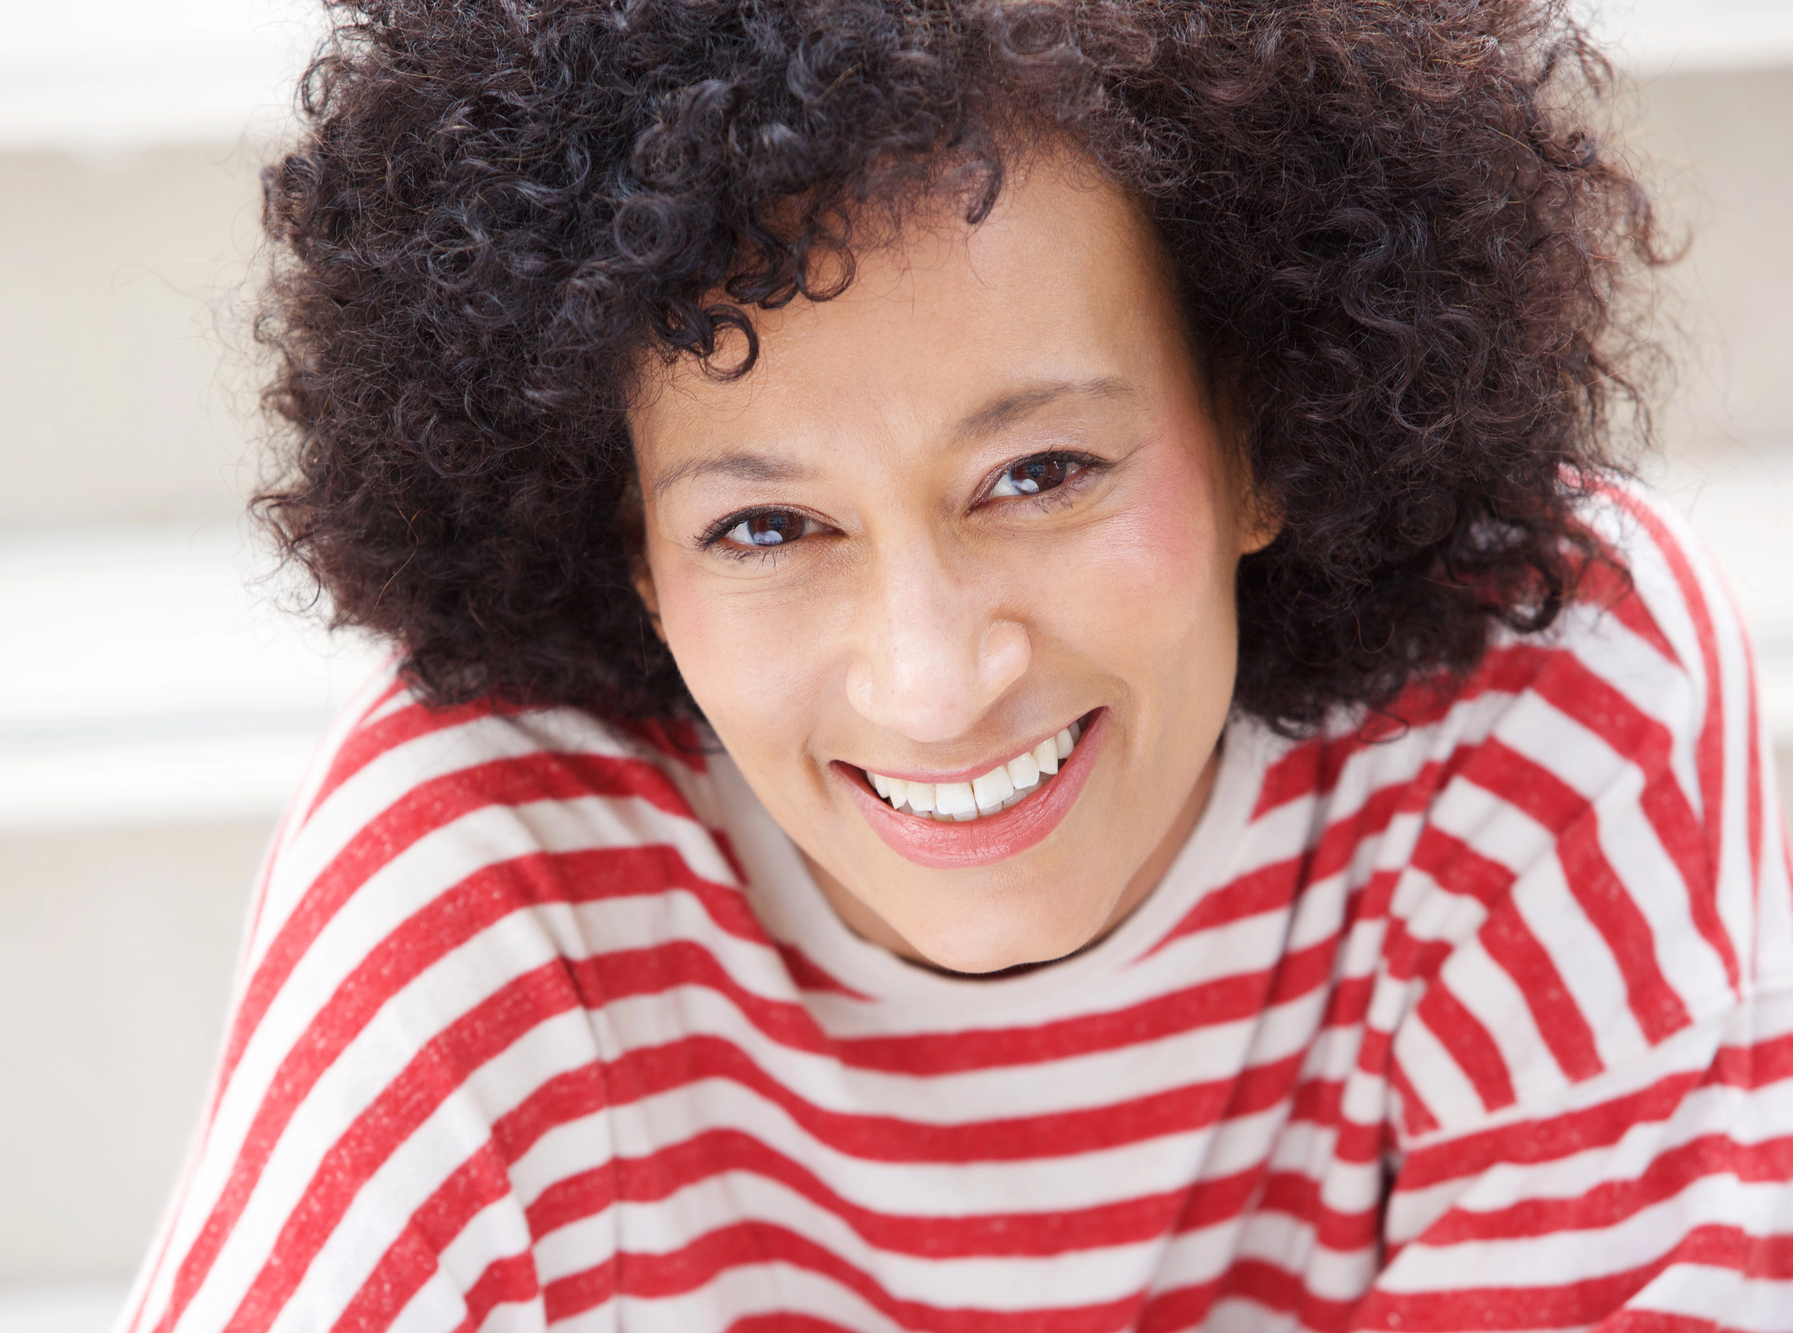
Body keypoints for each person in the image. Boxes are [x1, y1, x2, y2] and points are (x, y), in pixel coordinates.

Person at [120, 0, 1793, 1329]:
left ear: (1263, 424)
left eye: (1042, 475)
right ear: (627, 542)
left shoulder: (1545, 694)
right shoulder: (489, 867)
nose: (933, 680)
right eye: (767, 528)